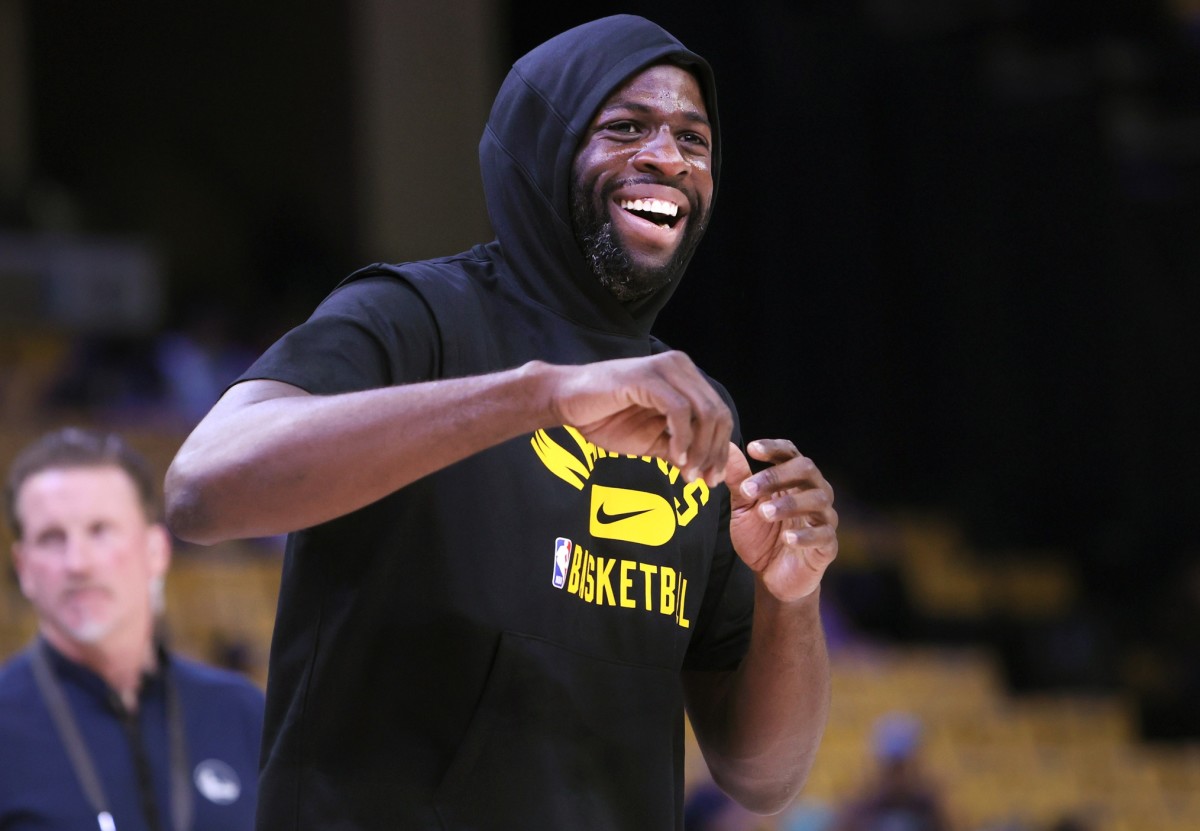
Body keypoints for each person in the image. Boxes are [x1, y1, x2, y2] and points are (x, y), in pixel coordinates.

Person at [165, 14, 838, 830]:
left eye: (693, 139)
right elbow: (201, 488)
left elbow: (762, 777)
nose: (668, 157)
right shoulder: (412, 315)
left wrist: (789, 594)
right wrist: (540, 395)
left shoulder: (696, 415)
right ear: (544, 143)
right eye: (627, 127)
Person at [0, 428, 264, 831]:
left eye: (100, 530)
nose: (78, 563)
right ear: (23, 569)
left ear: (156, 550)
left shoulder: (242, 713)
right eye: (52, 538)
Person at [831, 713, 952, 831]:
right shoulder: (858, 813)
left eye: (904, 767)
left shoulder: (929, 812)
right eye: (893, 768)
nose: (899, 776)